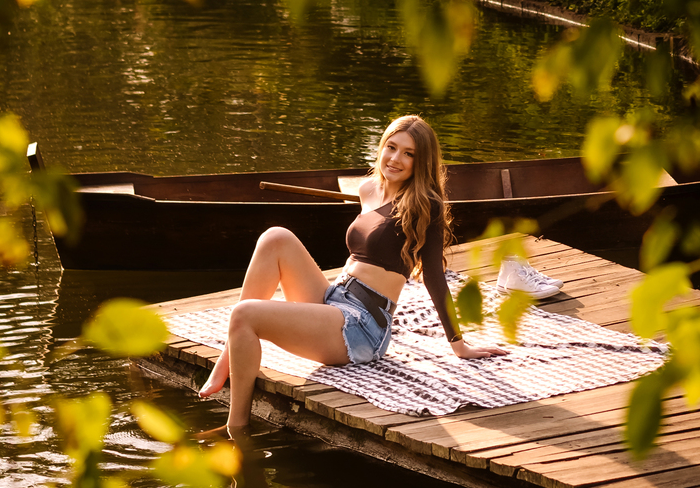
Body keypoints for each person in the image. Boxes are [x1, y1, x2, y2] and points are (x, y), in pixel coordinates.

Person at [198, 114, 507, 441]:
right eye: (392, 147)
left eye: (409, 153)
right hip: (336, 298)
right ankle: (228, 357)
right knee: (276, 237)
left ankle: (236, 428)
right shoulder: (369, 188)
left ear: (422, 162)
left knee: (245, 315)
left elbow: (433, 277)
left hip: (362, 325)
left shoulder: (424, 204)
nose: (396, 159)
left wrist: (458, 343)